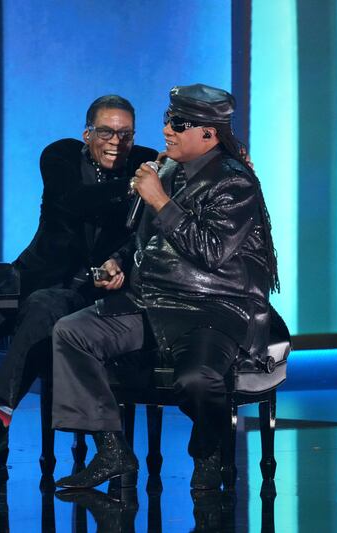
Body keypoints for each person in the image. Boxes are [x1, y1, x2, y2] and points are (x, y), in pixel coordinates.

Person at [51, 83, 281, 491]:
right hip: (153, 301)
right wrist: (118, 261)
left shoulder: (234, 182)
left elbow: (210, 251)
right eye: (166, 121)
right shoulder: (169, 170)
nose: (167, 131)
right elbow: (144, 238)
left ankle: (208, 452)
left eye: (178, 123)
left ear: (208, 133)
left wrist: (159, 199)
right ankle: (112, 448)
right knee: (72, 332)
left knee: (197, 380)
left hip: (212, 308)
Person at [0, 95, 159, 469]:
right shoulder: (61, 155)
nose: (117, 142)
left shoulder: (148, 163)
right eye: (107, 132)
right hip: (31, 275)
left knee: (43, 308)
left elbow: (145, 233)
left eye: (125, 134)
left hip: (86, 292)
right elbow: (74, 201)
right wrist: (134, 185)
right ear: (87, 134)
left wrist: (122, 260)